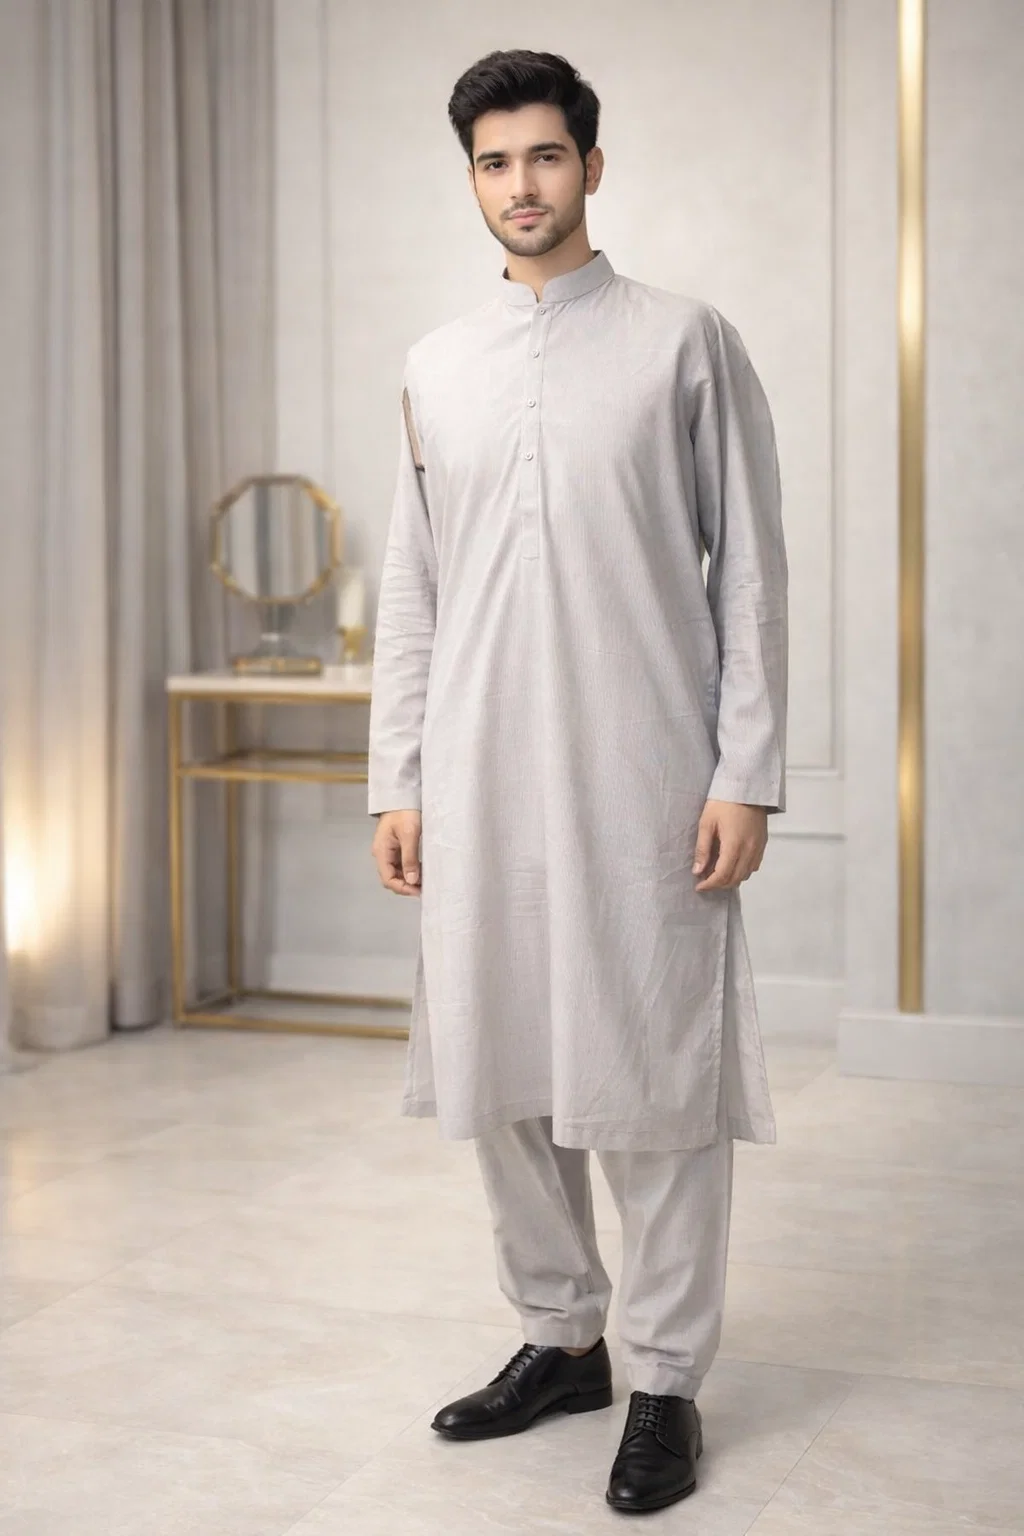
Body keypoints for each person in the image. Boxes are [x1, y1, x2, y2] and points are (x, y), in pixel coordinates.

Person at [367, 48, 788, 1516]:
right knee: (501, 1066)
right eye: (494, 163)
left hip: (643, 766)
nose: (521, 185)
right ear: (472, 180)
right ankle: (561, 1339)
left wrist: (746, 770)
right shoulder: (436, 365)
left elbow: (750, 571)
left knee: (651, 1072)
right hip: (478, 767)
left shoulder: (684, 341)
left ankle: (664, 1378)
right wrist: (398, 776)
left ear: (592, 167)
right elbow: (413, 586)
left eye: (544, 155)